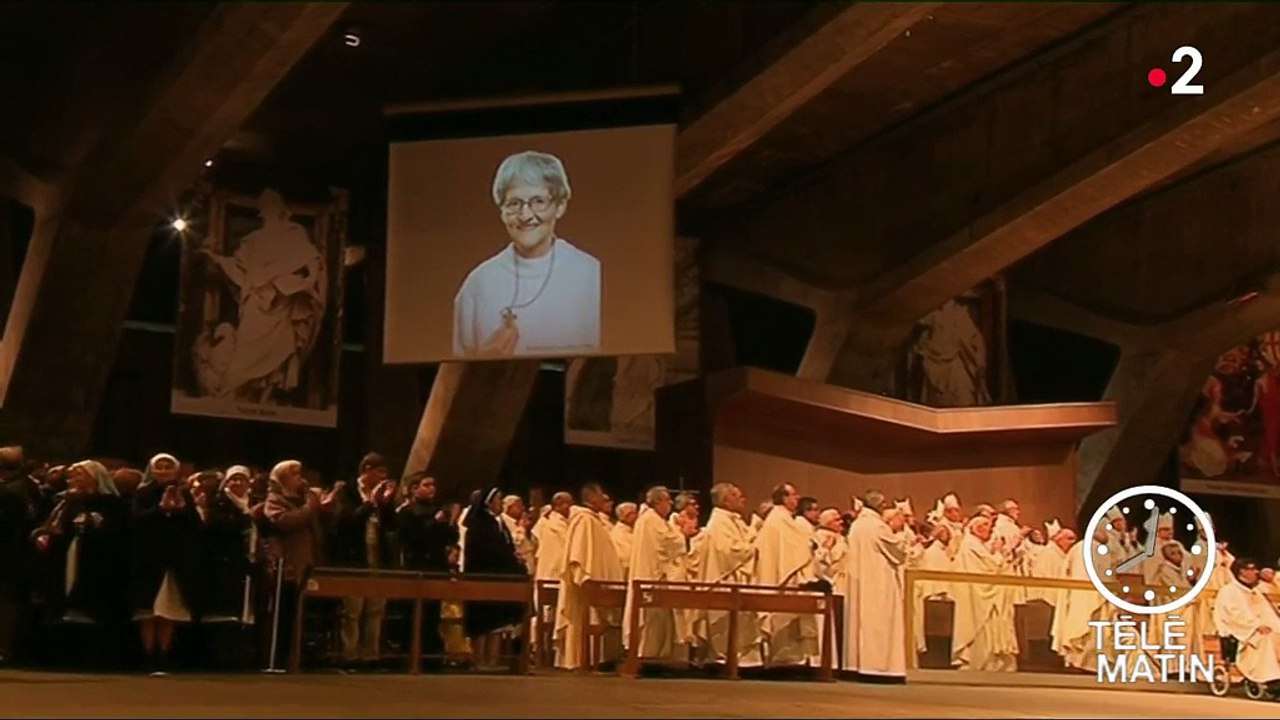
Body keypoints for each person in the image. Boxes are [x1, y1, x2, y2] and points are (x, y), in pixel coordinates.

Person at [452, 151, 601, 358]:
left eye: (538, 201)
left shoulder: (591, 274)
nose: (525, 215)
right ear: (502, 211)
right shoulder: (478, 284)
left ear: (560, 206)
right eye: (514, 203)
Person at [197, 187, 326, 402]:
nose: (267, 210)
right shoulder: (252, 240)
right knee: (246, 350)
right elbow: (240, 270)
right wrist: (216, 258)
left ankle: (265, 398)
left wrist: (301, 282)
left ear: (280, 208)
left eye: (271, 205)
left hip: (282, 303)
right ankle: (231, 394)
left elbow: (311, 262)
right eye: (264, 206)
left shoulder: (294, 233)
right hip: (256, 304)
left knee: (279, 354)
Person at [130, 453, 204, 676]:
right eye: (159, 467)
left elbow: (195, 526)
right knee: (148, 611)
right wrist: (160, 510)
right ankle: (147, 653)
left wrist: (182, 511)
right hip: (149, 559)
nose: (163, 471)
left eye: (167, 467)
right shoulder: (143, 493)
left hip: (175, 560)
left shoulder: (184, 494)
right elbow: (135, 520)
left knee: (168, 609)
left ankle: (165, 654)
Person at [553, 483, 623, 670]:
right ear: (591, 498)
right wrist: (586, 578)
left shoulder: (592, 519)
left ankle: (594, 659)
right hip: (586, 586)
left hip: (596, 585)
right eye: (601, 496)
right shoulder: (584, 520)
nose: (603, 499)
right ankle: (582, 659)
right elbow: (580, 555)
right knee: (585, 621)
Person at [843, 490, 909, 681]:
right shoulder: (877, 526)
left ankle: (857, 665)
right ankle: (879, 667)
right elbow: (898, 552)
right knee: (879, 622)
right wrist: (899, 531)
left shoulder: (858, 524)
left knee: (864, 621)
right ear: (880, 506)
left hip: (862, 579)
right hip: (879, 581)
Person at [462, 488, 528, 670]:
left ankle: (493, 660)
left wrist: (514, 558)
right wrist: (508, 557)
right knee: (483, 623)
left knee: (497, 623)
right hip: (483, 577)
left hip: (498, 577)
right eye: (498, 499)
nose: (501, 503)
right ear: (488, 503)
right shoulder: (480, 524)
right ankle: (479, 659)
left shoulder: (495, 522)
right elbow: (485, 551)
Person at [753, 482, 818, 666]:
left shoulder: (784, 518)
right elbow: (795, 546)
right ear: (783, 498)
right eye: (793, 494)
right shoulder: (779, 519)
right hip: (782, 575)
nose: (797, 498)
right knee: (783, 618)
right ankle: (783, 661)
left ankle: (790, 660)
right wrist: (810, 544)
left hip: (784, 571)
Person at [1213, 557, 1280, 696]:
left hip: (1260, 628)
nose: (1256, 572)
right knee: (1265, 639)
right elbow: (1235, 615)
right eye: (1252, 569)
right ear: (1241, 572)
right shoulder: (1229, 591)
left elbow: (1267, 614)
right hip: (1240, 632)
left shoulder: (1255, 592)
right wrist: (1256, 626)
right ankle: (1271, 679)